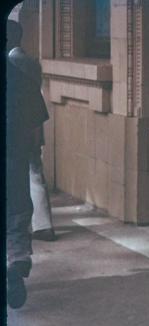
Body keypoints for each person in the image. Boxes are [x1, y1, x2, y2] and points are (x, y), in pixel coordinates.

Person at [7, 20, 56, 242]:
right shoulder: (31, 61)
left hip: (19, 129)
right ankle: (43, 224)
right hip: (33, 125)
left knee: (23, 174)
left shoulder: (12, 62)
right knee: (36, 173)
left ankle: (33, 223)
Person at [6, 59, 50, 309]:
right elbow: (35, 133)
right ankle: (17, 260)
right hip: (14, 162)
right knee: (17, 215)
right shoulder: (24, 80)